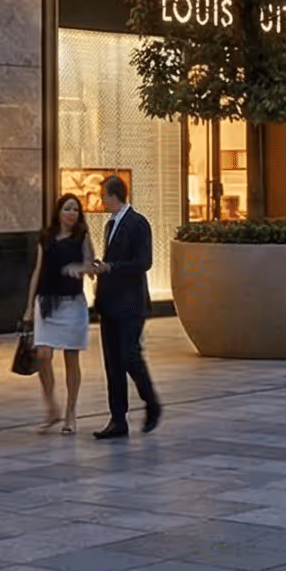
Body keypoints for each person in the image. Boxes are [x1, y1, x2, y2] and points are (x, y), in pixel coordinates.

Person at [90, 173, 161, 439]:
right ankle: (118, 419)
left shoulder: (137, 223)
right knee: (113, 362)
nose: (101, 201)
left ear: (114, 196)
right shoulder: (110, 225)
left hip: (131, 304)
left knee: (129, 355)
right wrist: (103, 267)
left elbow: (144, 262)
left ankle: (152, 403)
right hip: (109, 303)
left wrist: (112, 267)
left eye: (103, 196)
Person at [24, 191, 90, 434]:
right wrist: (29, 307)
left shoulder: (82, 236)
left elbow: (91, 264)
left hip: (72, 304)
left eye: (75, 209)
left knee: (72, 358)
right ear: (58, 212)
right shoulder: (46, 237)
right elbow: (37, 271)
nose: (71, 213)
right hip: (47, 302)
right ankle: (51, 406)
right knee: (43, 354)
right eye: (67, 209)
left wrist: (80, 268)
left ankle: (71, 413)